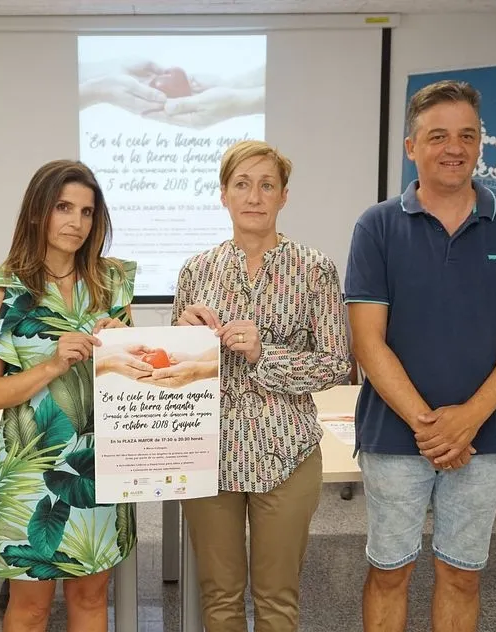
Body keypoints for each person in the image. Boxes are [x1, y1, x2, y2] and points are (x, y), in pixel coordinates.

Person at [343, 79, 496, 632]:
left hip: (482, 437)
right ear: (411, 146)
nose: (453, 147)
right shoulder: (378, 225)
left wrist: (467, 422)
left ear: (481, 143)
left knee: (461, 575)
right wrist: (432, 426)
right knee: (390, 573)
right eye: (437, 135)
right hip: (394, 434)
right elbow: (367, 341)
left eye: (467, 134)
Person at [169, 139, 352, 632]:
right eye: (242, 184)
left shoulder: (315, 269)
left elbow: (337, 364)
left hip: (286, 451)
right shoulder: (196, 270)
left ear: (283, 196)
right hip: (210, 450)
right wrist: (183, 333)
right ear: (224, 195)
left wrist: (262, 353)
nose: (254, 196)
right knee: (220, 596)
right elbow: (174, 378)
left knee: (277, 598)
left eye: (266, 185)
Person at [0, 159, 138, 632]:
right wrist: (51, 364)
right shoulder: (0, 292)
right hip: (31, 468)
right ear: (39, 211)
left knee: (91, 596)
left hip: (101, 461)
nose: (76, 223)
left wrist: (122, 341)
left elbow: (134, 377)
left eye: (86, 212)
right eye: (64, 207)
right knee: (31, 607)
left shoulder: (113, 282)